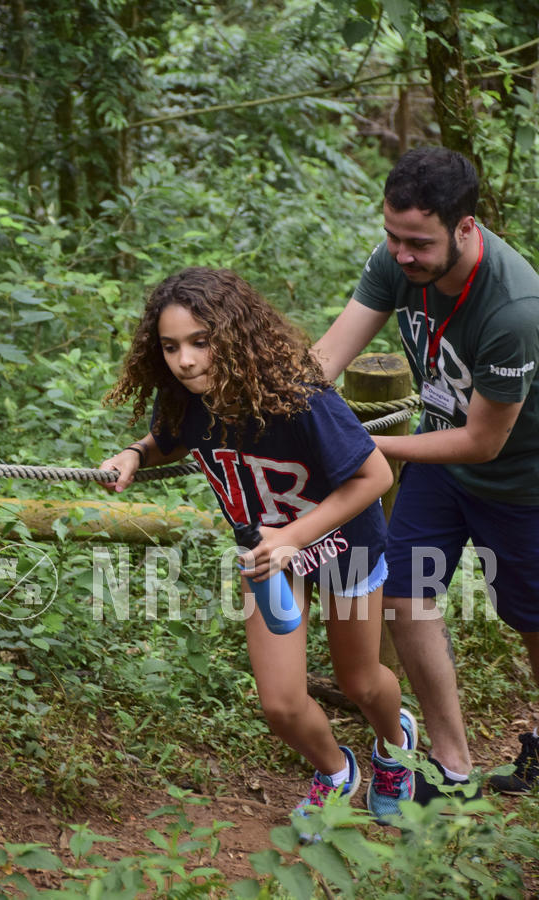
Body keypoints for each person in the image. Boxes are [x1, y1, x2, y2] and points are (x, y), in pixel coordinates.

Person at [99, 266, 418, 830]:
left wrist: (294, 536)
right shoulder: (184, 399)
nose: (187, 360)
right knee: (280, 704)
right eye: (171, 347)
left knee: (360, 681)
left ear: (236, 333)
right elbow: (168, 441)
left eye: (201, 342)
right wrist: (135, 453)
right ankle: (336, 772)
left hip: (344, 543)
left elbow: (374, 477)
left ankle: (394, 746)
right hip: (267, 555)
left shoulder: (300, 399)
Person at [313, 146, 539, 798]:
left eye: (418, 241)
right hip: (439, 461)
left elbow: (484, 442)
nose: (401, 254)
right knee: (407, 596)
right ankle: (452, 764)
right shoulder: (395, 262)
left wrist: (370, 447)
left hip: (519, 476)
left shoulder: (513, 307)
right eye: (392, 236)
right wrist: (277, 415)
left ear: (466, 228)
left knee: (531, 619)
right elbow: (326, 355)